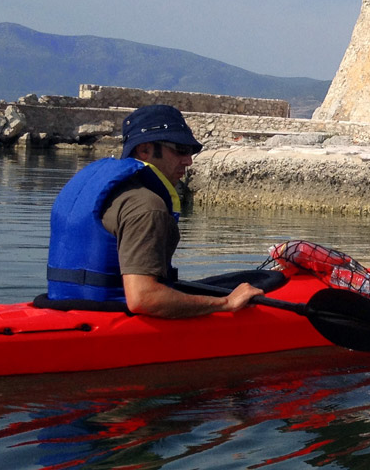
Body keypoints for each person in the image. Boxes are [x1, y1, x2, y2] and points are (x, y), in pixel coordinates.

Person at [45, 104, 263, 316]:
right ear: (145, 150)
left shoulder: (84, 189)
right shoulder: (147, 206)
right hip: (111, 322)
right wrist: (226, 303)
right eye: (180, 150)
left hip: (63, 307)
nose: (188, 161)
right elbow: (143, 298)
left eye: (190, 152)